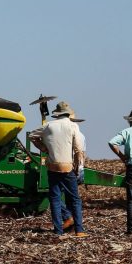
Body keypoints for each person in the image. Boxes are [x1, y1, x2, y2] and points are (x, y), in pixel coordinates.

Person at [30, 101, 87, 237]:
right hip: (67, 167)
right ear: (68, 113)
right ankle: (79, 230)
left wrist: (44, 148)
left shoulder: (48, 125)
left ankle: (58, 231)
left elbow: (32, 135)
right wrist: (77, 166)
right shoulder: (73, 126)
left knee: (55, 199)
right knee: (75, 199)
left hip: (52, 167)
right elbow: (78, 149)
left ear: (57, 114)